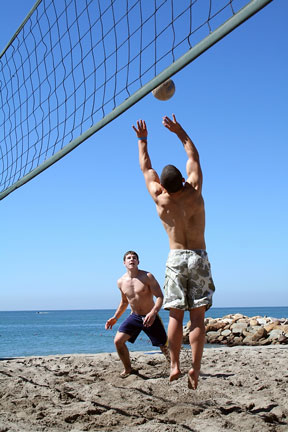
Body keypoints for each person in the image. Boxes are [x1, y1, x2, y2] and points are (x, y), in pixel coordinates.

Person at [132, 114, 215, 390]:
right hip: (199, 256)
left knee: (176, 316)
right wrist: (180, 131)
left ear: (164, 186)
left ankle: (175, 365)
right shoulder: (194, 190)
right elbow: (194, 155)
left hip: (176, 257)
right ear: (182, 179)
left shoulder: (160, 197)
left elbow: (146, 169)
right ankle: (197, 369)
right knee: (198, 318)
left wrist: (143, 141)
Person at [105, 250, 169, 377]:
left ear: (138, 262)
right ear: (124, 262)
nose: (131, 259)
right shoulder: (121, 282)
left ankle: (174, 367)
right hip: (134, 317)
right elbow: (124, 302)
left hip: (151, 316)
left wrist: (153, 312)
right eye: (128, 258)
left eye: (134, 258)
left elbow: (160, 297)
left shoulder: (147, 276)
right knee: (118, 341)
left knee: (164, 346)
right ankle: (128, 369)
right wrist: (115, 317)